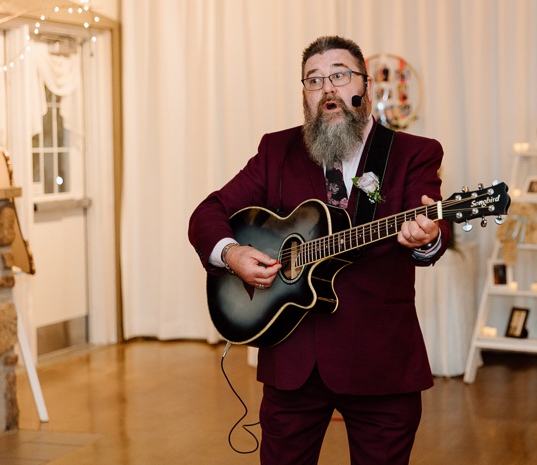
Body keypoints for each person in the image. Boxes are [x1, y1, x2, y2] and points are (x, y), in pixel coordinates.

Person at [189, 35, 451, 465]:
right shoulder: (277, 149)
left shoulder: (412, 153)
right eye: (314, 80)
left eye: (339, 75)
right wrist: (232, 253)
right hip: (293, 361)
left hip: (381, 363)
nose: (327, 89)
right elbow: (209, 212)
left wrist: (429, 238)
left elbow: (432, 224)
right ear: (306, 96)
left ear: (365, 86)